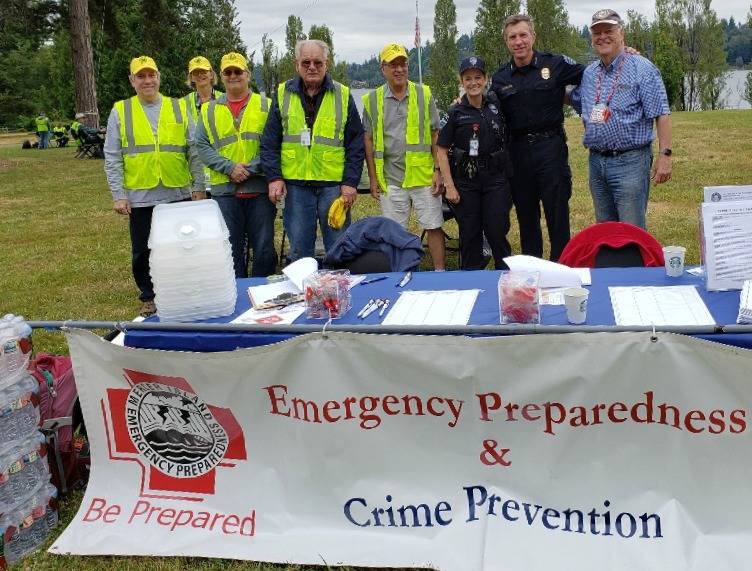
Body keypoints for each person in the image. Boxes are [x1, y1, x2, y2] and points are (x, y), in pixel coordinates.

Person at [104, 55, 204, 317]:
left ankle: (182, 291)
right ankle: (149, 296)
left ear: (159, 77)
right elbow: (113, 155)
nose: (147, 80)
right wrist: (119, 195)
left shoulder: (179, 107)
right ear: (132, 80)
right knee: (142, 251)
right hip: (140, 195)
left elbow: (193, 150)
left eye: (151, 75)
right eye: (141, 76)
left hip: (177, 192)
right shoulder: (121, 110)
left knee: (183, 247)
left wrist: (198, 186)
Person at [491, 14, 585, 262]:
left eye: (523, 35)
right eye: (513, 37)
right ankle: (533, 272)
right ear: (507, 42)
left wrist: (624, 54)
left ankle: (561, 268)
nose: (518, 41)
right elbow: (484, 106)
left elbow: (593, 74)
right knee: (527, 217)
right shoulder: (500, 78)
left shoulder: (555, 64)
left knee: (557, 214)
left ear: (533, 36)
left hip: (550, 149)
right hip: (518, 153)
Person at [261, 39, 364, 262]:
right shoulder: (282, 94)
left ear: (326, 64)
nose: (312, 67)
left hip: (333, 187)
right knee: (299, 252)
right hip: (296, 187)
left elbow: (356, 144)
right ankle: (303, 295)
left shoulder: (343, 95)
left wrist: (350, 183)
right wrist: (274, 178)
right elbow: (269, 142)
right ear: (296, 64)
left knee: (340, 250)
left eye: (318, 62)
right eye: (306, 62)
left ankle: (339, 294)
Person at [571, 9, 672, 229]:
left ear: (621, 34)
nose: (602, 37)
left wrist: (665, 155)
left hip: (631, 162)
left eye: (609, 30)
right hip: (596, 163)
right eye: (597, 32)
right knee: (605, 230)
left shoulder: (642, 68)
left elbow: (661, 113)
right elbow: (575, 99)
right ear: (591, 38)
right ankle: (611, 265)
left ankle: (636, 264)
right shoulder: (589, 74)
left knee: (631, 230)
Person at [363, 43, 445, 271]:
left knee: (433, 226)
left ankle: (440, 272)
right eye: (393, 65)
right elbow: (368, 139)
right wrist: (372, 178)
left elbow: (435, 134)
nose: (399, 69)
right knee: (394, 233)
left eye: (403, 64)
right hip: (390, 179)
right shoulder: (371, 100)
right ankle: (401, 274)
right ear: (383, 68)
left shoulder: (424, 93)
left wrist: (437, 171)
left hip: (423, 177)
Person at [195, 52, 277, 278]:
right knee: (230, 249)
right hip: (225, 191)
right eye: (228, 72)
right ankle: (237, 294)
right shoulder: (208, 110)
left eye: (238, 71)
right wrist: (229, 167)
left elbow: (274, 144)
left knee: (263, 249)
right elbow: (202, 146)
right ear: (220, 77)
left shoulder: (266, 105)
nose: (233, 76)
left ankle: (263, 292)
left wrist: (249, 169)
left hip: (259, 189)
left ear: (248, 74)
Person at [437, 56, 512, 270]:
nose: (473, 83)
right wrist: (449, 186)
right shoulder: (455, 113)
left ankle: (505, 280)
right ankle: (470, 284)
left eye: (478, 77)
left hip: (495, 180)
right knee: (470, 235)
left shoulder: (496, 105)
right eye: (468, 78)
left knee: (497, 231)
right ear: (461, 82)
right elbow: (441, 150)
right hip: (466, 182)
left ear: (486, 79)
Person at [183, 56, 223, 125]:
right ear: (191, 77)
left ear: (211, 74)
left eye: (203, 71)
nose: (199, 75)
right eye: (195, 72)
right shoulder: (183, 103)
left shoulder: (225, 99)